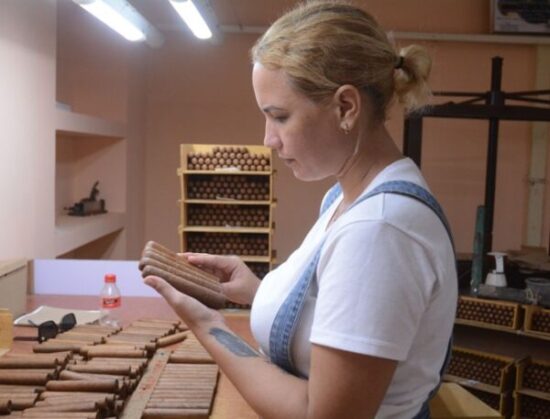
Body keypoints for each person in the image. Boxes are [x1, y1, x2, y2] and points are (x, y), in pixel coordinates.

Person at [144, 1, 458, 418]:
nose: (268, 140)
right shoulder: (346, 198)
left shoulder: (380, 230)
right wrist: (255, 291)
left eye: (280, 117)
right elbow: (334, 318)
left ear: (346, 107)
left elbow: (321, 414)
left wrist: (208, 325)